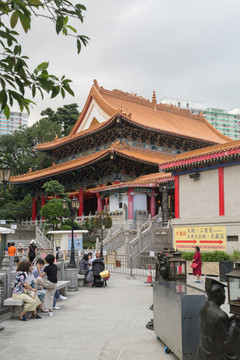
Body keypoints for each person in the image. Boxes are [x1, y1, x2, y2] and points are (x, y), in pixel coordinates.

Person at [197, 278, 240, 360]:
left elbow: (217, 328)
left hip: (204, 353)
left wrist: (232, 318)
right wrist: (236, 324)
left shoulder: (204, 308)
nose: (225, 296)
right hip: (214, 356)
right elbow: (227, 343)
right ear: (219, 296)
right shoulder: (220, 315)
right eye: (224, 293)